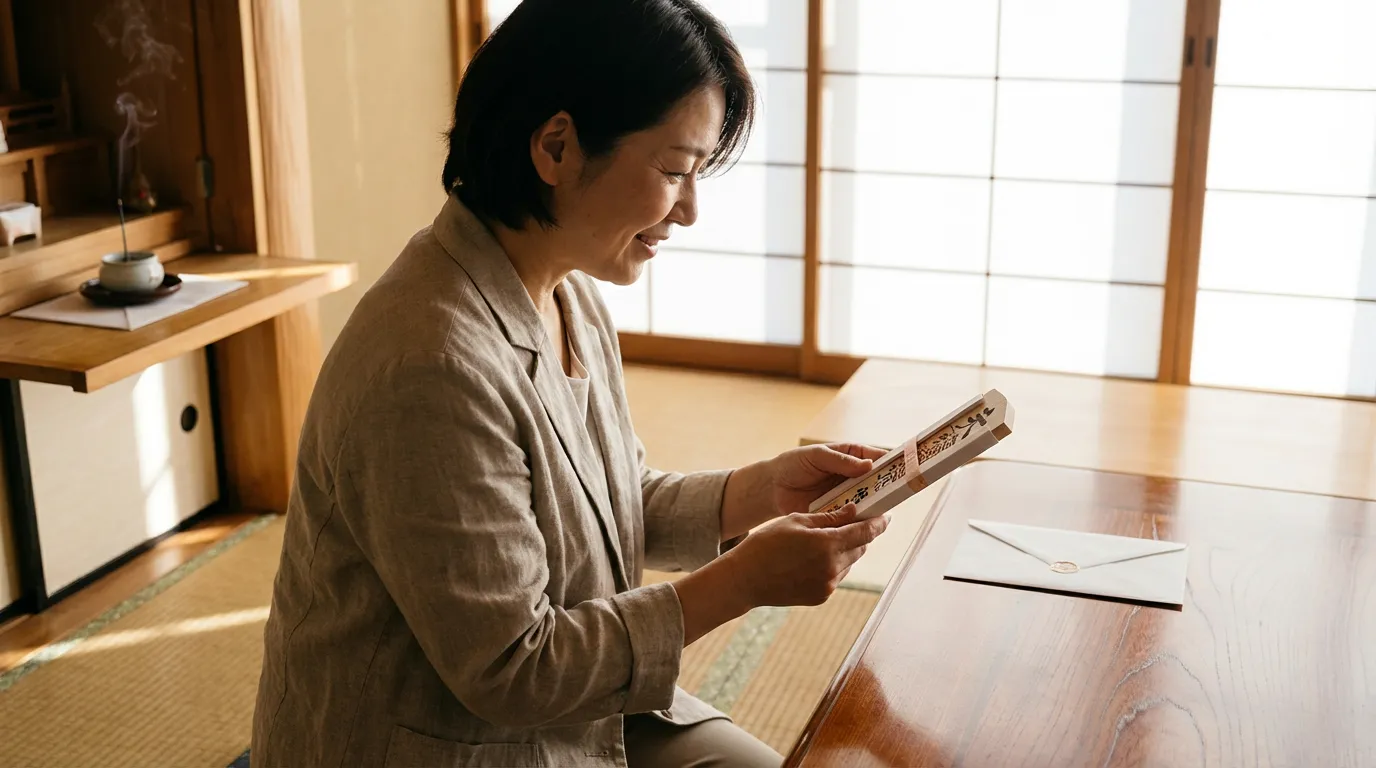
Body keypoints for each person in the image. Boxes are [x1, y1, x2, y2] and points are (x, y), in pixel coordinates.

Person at [251, 1, 889, 765]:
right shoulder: (429, 364)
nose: (689, 210)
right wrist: (741, 582)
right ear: (556, 147)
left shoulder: (565, 288)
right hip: (435, 738)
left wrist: (757, 492)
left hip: (575, 708)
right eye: (676, 171)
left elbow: (601, 496)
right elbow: (512, 668)